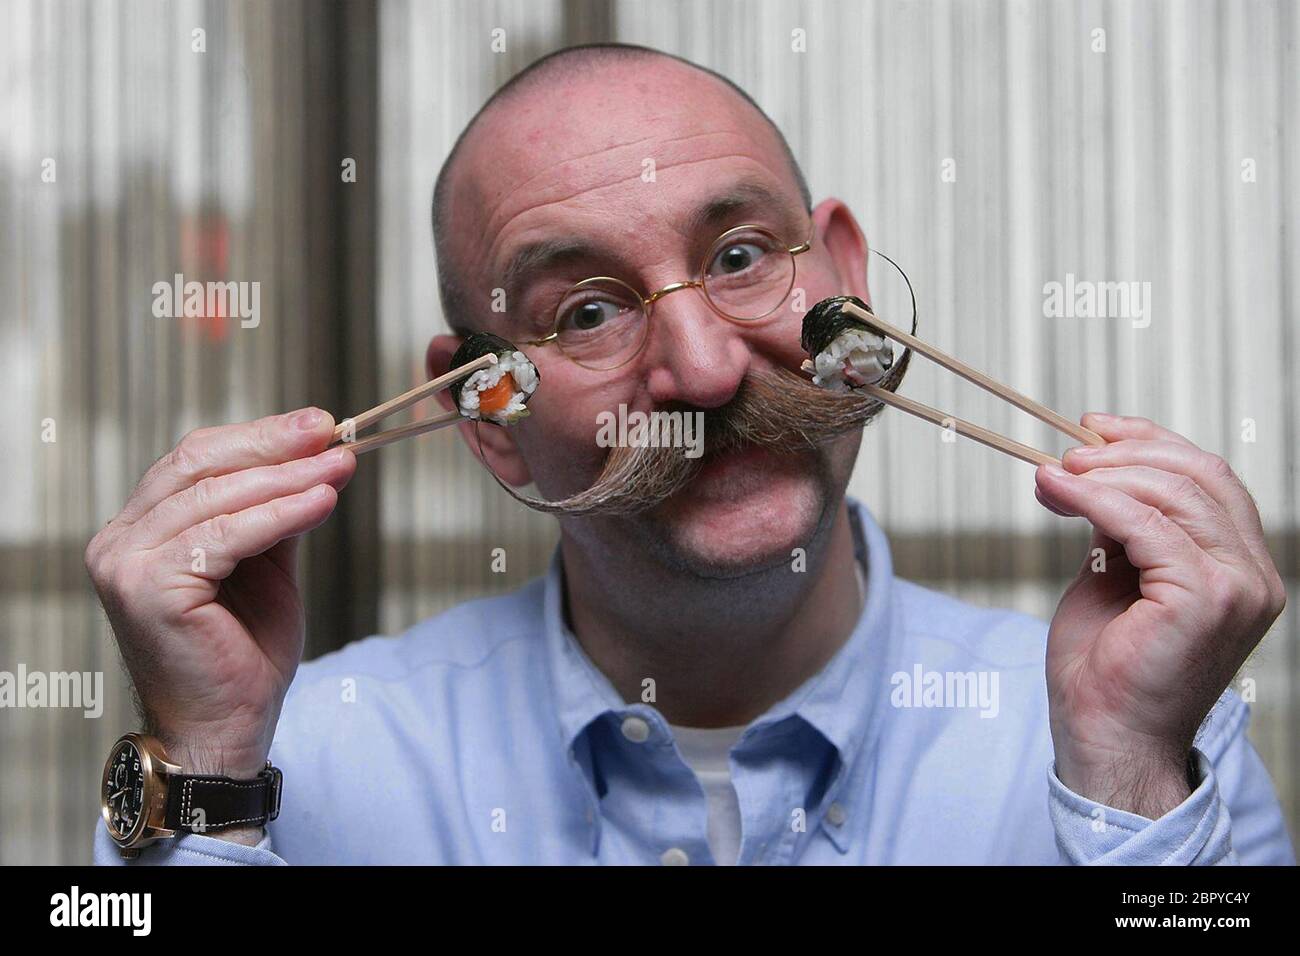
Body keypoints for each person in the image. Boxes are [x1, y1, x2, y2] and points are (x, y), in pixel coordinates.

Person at [88, 44, 1292, 865]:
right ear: (486, 413)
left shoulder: (1148, 733)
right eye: (588, 312)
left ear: (849, 284)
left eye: (737, 256)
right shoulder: (299, 759)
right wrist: (202, 765)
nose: (705, 370)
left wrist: (1126, 784)